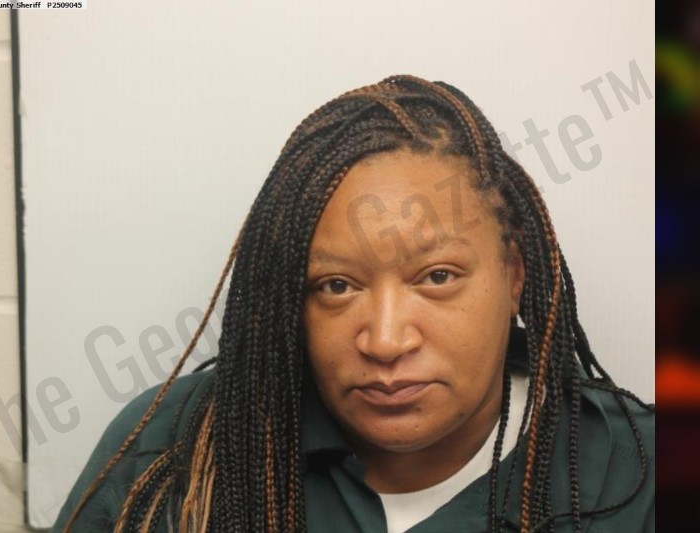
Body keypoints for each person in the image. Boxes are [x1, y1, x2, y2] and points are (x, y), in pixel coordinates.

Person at [52, 76, 654, 533]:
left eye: (437, 276)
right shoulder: (175, 447)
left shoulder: (641, 472)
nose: (386, 341)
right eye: (336, 286)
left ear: (515, 277)